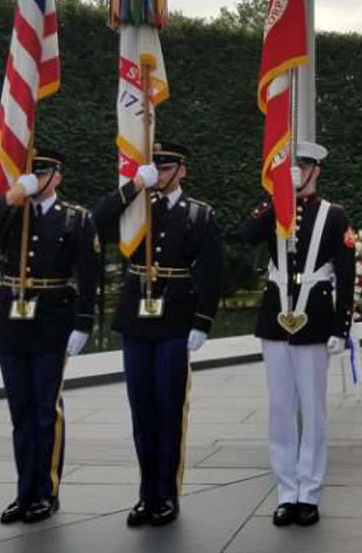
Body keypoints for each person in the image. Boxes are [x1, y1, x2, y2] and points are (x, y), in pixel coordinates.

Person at [92, 141, 224, 527]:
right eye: (156, 168)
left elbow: (212, 271)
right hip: (136, 315)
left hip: (175, 317)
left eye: (166, 168)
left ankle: (166, 493)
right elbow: (97, 220)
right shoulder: (135, 207)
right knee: (142, 409)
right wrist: (134, 185)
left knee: (168, 408)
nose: (160, 174)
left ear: (182, 170)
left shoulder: (199, 214)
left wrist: (202, 321)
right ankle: (146, 492)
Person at [0, 147, 99, 524]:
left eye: (42, 174)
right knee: (20, 411)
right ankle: (24, 491)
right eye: (31, 174)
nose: (35, 180)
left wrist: (83, 323)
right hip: (11, 319)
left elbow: (89, 276)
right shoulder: (11, 210)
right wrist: (9, 197)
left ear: (56, 177)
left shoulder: (76, 219)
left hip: (52, 317)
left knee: (45, 410)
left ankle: (46, 491)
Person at [236, 141, 355, 528]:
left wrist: (342, 326)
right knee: (280, 408)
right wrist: (277, 195)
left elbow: (348, 274)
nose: (298, 171)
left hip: (316, 317)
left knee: (314, 410)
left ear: (316, 170)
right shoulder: (274, 209)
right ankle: (286, 491)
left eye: (304, 165)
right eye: (292, 165)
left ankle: (310, 491)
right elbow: (246, 235)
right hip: (276, 315)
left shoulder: (334, 216)